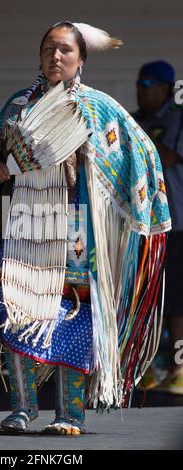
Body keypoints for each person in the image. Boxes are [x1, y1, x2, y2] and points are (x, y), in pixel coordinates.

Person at [0, 22, 171, 435]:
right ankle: (22, 407)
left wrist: (109, 180)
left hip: (75, 228)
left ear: (80, 59)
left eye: (65, 50)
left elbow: (138, 148)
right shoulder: (17, 105)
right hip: (24, 222)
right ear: (38, 56)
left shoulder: (96, 107)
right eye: (49, 49)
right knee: (16, 308)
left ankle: (69, 415)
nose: (56, 56)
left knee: (72, 313)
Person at [133, 60, 183, 394]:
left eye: (148, 82)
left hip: (177, 221)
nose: (141, 88)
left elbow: (165, 157)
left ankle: (180, 368)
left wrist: (133, 144)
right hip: (140, 224)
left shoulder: (178, 118)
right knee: (145, 297)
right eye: (139, 82)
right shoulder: (136, 121)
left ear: (166, 87)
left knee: (178, 299)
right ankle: (148, 366)